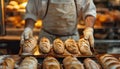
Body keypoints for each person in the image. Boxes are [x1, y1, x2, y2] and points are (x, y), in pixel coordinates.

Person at [21, 0, 96, 48]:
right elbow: (31, 13)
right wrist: (28, 28)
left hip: (72, 41)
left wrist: (89, 29)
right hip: (46, 40)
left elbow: (89, 11)